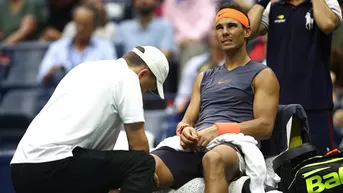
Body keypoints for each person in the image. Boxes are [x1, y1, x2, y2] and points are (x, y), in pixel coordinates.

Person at [151, 3, 279, 193]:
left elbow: (265, 127)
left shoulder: (263, 74)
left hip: (233, 145)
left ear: (247, 31)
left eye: (232, 26)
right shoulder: (203, 76)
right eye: (219, 27)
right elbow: (187, 121)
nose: (224, 32)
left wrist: (218, 130)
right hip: (198, 144)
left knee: (213, 159)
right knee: (144, 166)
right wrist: (185, 131)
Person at [10, 46, 169, 193]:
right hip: (54, 164)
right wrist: (146, 175)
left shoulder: (84, 68)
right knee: (143, 163)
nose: (144, 94)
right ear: (143, 74)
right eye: (147, 88)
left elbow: (96, 166)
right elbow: (139, 145)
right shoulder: (128, 78)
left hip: (21, 169)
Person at [248, 0, 342, 153]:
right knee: (279, 168)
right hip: (279, 106)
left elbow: (328, 23)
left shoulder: (326, 2)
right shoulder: (273, 7)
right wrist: (262, 2)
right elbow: (247, 31)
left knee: (321, 165)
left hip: (315, 103)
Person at [37, 4, 117, 87]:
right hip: (61, 95)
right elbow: (42, 77)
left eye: (85, 24)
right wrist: (53, 72)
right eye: (78, 23)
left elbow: (112, 77)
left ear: (94, 26)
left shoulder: (105, 47)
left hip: (93, 94)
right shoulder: (58, 46)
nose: (81, 28)